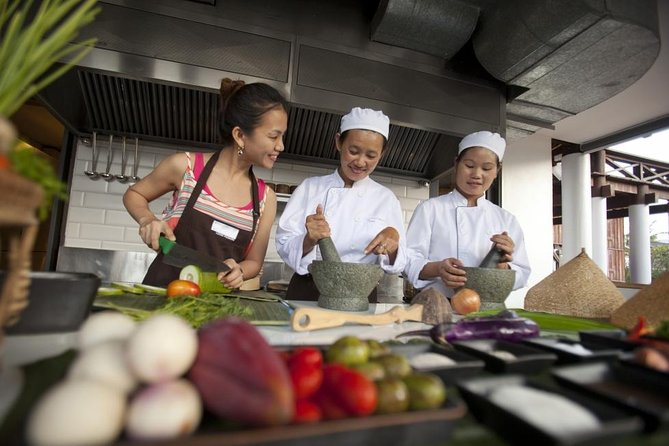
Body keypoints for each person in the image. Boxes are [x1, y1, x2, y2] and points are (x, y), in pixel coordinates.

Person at [123, 78, 288, 287]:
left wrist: (239, 271)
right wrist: (147, 220)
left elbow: (254, 262)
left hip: (217, 308)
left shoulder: (266, 198)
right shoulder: (186, 167)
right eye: (273, 136)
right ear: (239, 135)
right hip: (163, 296)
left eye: (283, 136)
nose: (281, 146)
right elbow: (134, 194)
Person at [276, 107, 407, 301]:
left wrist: (393, 245)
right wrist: (308, 240)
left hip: (360, 294)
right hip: (308, 290)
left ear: (382, 153)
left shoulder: (386, 199)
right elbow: (284, 244)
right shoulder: (310, 188)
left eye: (371, 155)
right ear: (338, 142)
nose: (360, 162)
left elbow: (400, 264)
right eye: (353, 151)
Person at [404, 130, 530, 298]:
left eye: (486, 168)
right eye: (469, 166)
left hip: (484, 308)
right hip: (437, 304)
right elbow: (407, 261)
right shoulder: (430, 209)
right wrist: (438, 269)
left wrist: (503, 268)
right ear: (456, 164)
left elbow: (522, 274)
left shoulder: (506, 220)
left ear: (497, 171)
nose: (476, 175)